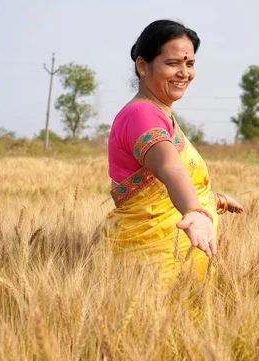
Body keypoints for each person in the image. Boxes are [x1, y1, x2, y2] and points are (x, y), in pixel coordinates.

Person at [101, 20, 244, 288]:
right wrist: (194, 211)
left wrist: (212, 201)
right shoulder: (141, 113)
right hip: (151, 262)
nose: (184, 73)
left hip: (176, 258)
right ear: (143, 66)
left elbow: (161, 185)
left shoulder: (160, 115)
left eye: (189, 64)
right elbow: (171, 168)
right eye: (173, 63)